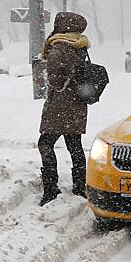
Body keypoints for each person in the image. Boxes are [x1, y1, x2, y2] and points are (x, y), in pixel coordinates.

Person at [38, 12, 90, 206]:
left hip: (59, 104)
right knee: (74, 145)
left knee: (45, 143)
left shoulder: (58, 48)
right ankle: (79, 186)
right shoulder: (80, 46)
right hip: (77, 104)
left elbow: (55, 80)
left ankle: (51, 189)